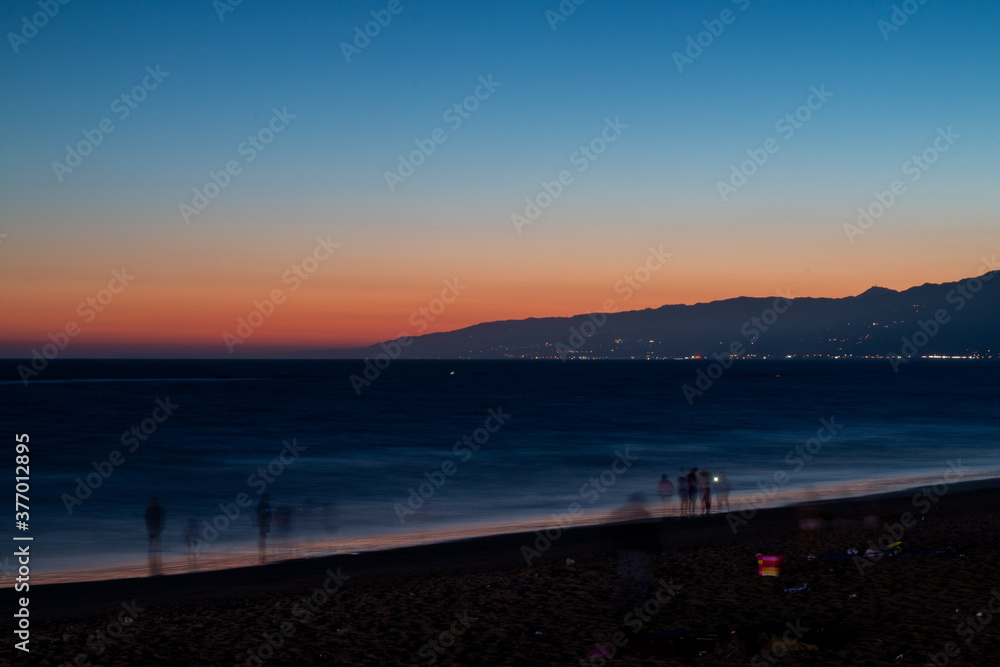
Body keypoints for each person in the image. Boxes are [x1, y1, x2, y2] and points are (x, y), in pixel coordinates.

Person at [145, 497, 165, 574]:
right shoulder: (150, 509)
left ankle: (157, 549)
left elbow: (162, 518)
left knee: (157, 537)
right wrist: (147, 525)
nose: (154, 502)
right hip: (152, 525)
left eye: (155, 501)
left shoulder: (159, 509)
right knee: (152, 538)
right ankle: (151, 549)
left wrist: (162, 525)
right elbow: (146, 517)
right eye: (153, 501)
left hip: (157, 525)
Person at [256, 494, 272, 561]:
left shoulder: (263, 504)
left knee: (263, 536)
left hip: (263, 523)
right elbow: (268, 514)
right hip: (263, 523)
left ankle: (262, 550)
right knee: (263, 536)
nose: (267, 499)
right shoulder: (263, 504)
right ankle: (261, 550)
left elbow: (268, 514)